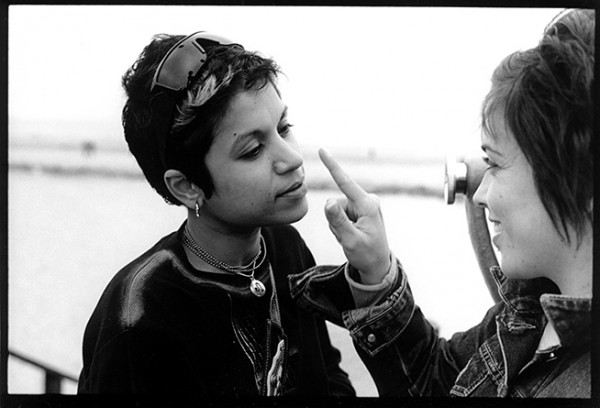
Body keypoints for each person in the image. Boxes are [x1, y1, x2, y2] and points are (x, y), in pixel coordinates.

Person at [290, 8, 593, 398]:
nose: (480, 195)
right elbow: (434, 383)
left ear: (580, 182)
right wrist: (376, 270)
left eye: (496, 165)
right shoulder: (527, 314)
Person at [77, 31, 354, 396]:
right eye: (253, 149)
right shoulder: (140, 317)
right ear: (187, 186)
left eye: (283, 128)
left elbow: (329, 381)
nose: (292, 158)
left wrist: (375, 272)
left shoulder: (285, 246)